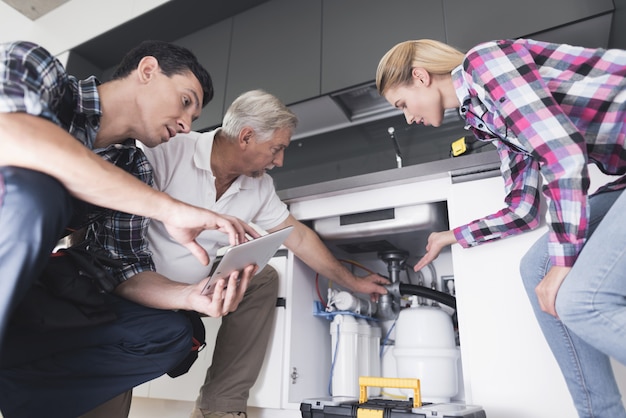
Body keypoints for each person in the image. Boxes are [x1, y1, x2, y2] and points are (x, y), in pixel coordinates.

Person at [0, 40, 258, 418]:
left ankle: (15, 394)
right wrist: (170, 209)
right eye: (185, 101)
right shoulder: (39, 68)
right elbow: (14, 135)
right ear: (148, 70)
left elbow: (126, 268)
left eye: (195, 118)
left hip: (21, 294)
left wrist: (192, 295)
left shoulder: (134, 169)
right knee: (39, 192)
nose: (187, 125)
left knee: (171, 334)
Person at [375, 38, 626, 418]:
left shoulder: (485, 63)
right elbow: (524, 209)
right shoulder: (484, 118)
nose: (409, 119)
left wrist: (565, 265)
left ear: (421, 77)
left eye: (403, 105)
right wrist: (451, 236)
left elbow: (563, 154)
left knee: (580, 299)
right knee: (535, 267)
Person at [132, 89, 389, 418]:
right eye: (277, 148)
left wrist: (352, 282)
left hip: (195, 281)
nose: (279, 160)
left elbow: (299, 238)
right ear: (247, 137)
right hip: (141, 278)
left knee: (263, 277)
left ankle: (220, 407)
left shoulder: (259, 185)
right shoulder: (171, 150)